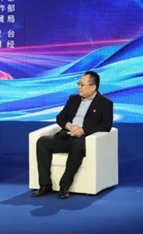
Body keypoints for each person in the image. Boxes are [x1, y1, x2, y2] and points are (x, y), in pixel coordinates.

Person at [32, 70, 113, 199]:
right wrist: (70, 126)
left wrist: (83, 130)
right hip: (66, 135)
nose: (79, 87)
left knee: (78, 144)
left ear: (93, 87)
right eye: (78, 84)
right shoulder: (73, 99)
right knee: (43, 142)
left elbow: (106, 125)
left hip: (83, 139)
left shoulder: (105, 103)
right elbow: (60, 117)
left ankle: (64, 186)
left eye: (82, 85)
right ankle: (45, 184)